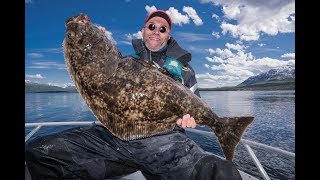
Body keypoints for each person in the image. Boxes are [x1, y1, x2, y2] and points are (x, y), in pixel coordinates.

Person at [25, 10, 242, 180]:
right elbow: (98, 67)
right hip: (112, 138)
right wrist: (91, 34)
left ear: (168, 36)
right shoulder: (123, 59)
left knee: (222, 174)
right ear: (143, 30)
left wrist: (191, 120)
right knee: (39, 152)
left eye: (163, 28)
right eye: (152, 26)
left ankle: (223, 129)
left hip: (166, 142)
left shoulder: (185, 72)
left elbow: (196, 104)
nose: (156, 31)